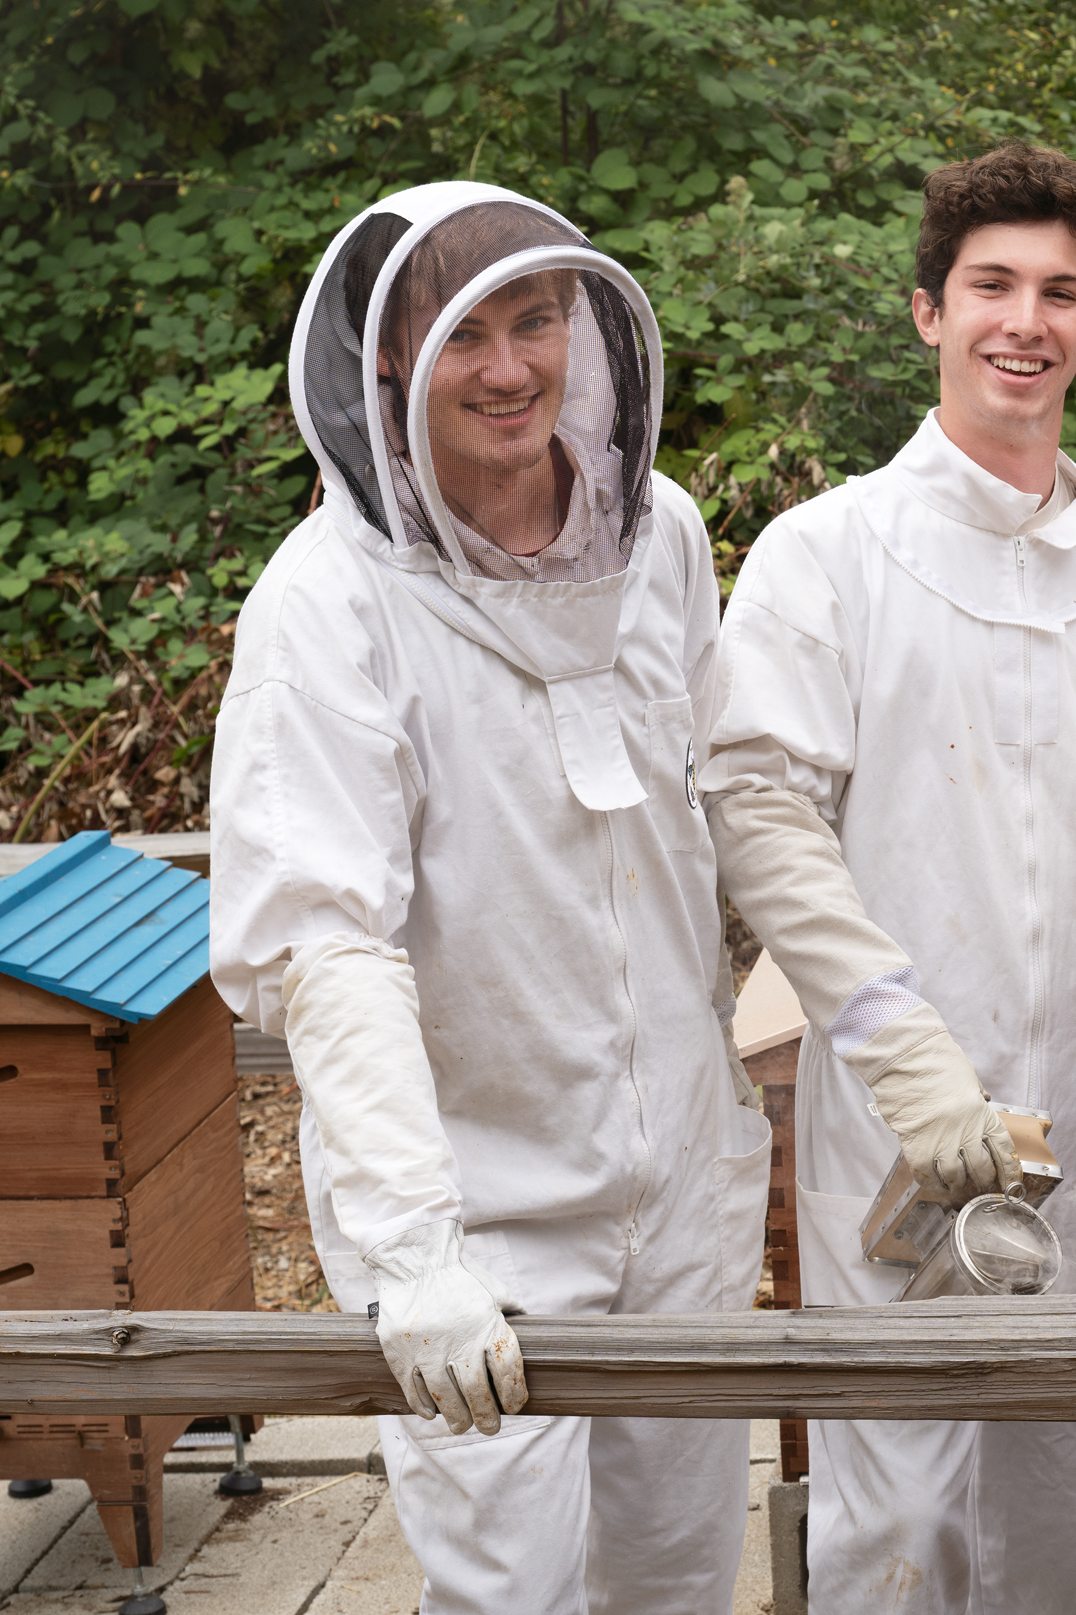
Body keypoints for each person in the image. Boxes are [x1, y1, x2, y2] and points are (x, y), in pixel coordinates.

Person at [209, 182, 772, 1614]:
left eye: (541, 320)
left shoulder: (667, 541)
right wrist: (416, 1249)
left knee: (675, 1578)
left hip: (682, 1198)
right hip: (486, 1222)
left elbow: (738, 811)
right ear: (387, 355)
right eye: (466, 333)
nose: (514, 367)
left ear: (590, 329)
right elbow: (327, 935)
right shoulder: (326, 603)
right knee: (511, 1595)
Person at [695, 141, 1076, 1614]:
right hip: (905, 1124)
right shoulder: (828, 554)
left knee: (1074, 1496)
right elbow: (763, 813)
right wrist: (900, 1051)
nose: (1027, 320)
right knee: (906, 1516)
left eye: (1061, 292)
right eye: (993, 284)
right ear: (929, 309)